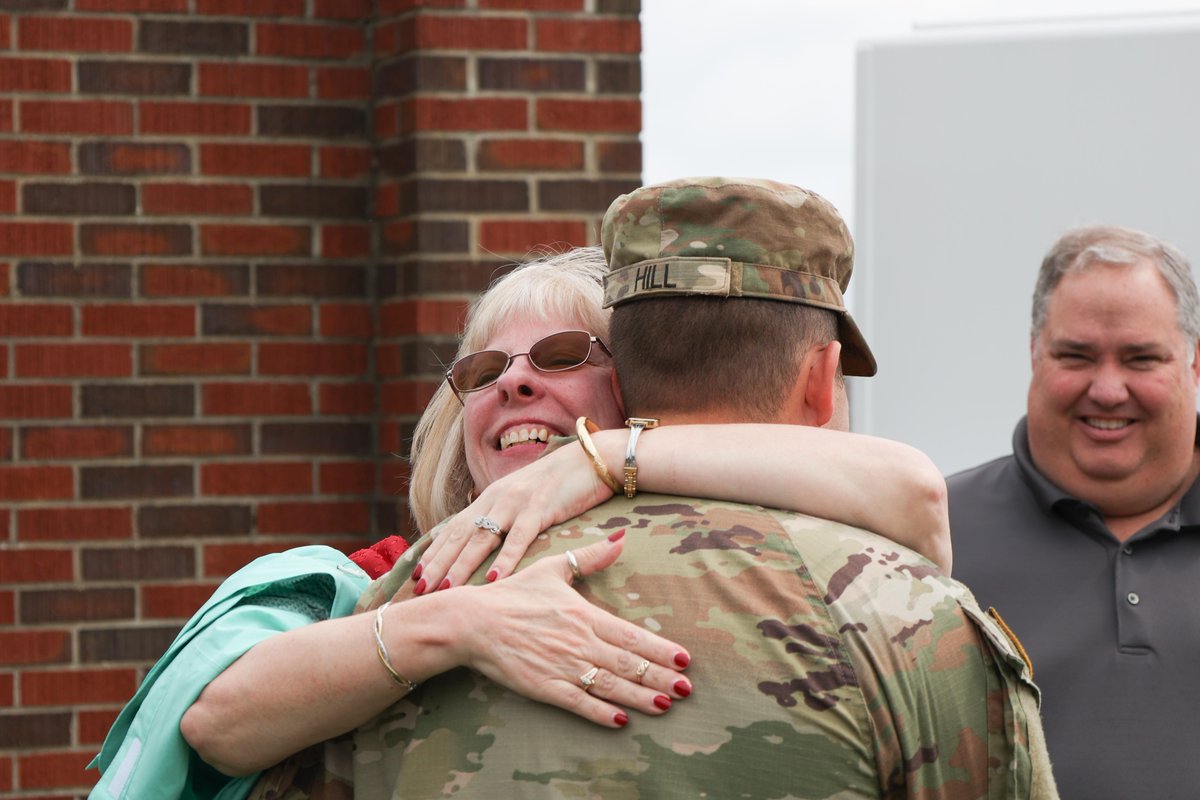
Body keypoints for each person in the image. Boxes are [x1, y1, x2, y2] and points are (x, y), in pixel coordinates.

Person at [90, 248, 951, 800]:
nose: (514, 384)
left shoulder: (725, 555)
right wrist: (459, 621)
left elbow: (913, 492)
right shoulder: (369, 577)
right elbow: (214, 720)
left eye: (563, 357)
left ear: (636, 398)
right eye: (485, 369)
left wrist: (603, 459)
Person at [340, 177, 1059, 799]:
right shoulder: (906, 611)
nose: (517, 382)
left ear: (621, 382)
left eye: (558, 357)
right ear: (819, 380)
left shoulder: (413, 596)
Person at [947, 224, 1200, 800]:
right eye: (1076, 356)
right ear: (1035, 354)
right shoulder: (929, 539)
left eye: (1141, 358)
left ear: (1194, 362)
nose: (1108, 390)